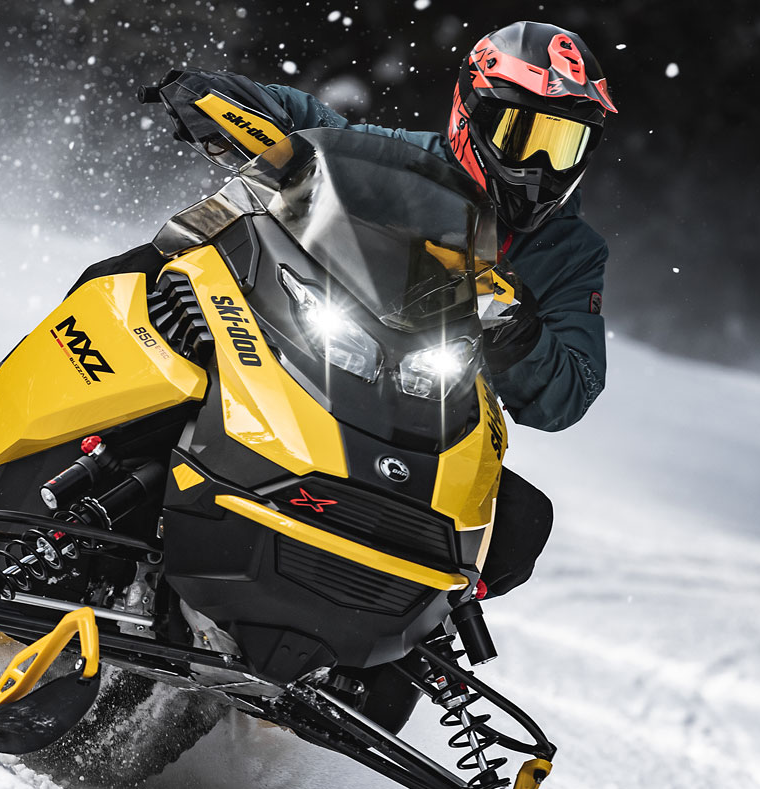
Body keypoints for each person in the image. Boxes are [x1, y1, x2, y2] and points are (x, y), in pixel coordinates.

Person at [126, 21, 618, 600]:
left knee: (519, 525)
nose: (539, 165)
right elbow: (317, 129)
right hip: (315, 354)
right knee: (143, 281)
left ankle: (414, 632)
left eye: (563, 145)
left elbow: (572, 390)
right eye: (522, 135)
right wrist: (226, 99)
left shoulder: (573, 251)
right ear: (472, 116)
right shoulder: (404, 163)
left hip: (429, 413)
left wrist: (516, 330)